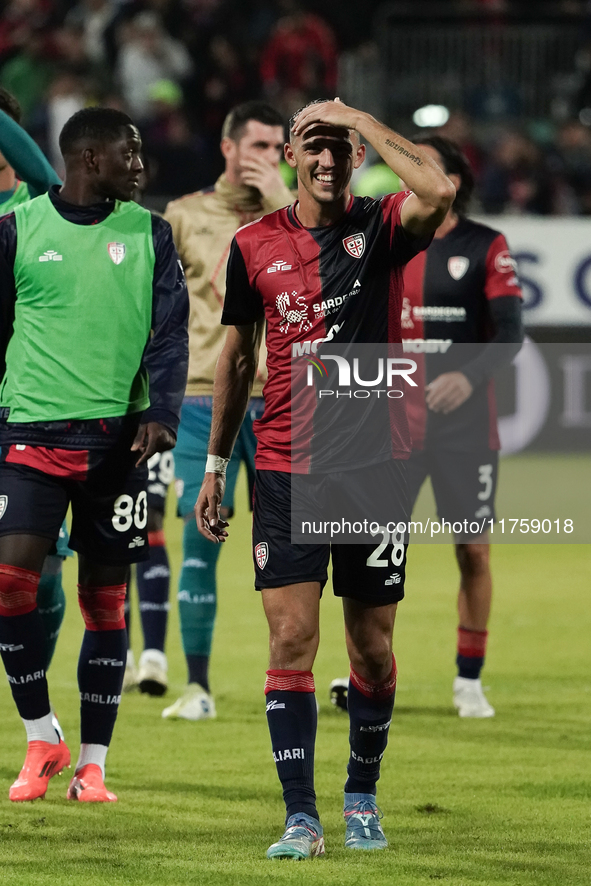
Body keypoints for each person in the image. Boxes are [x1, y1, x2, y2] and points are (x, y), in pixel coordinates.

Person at [195, 98, 455, 858]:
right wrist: (216, 464)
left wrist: (354, 115)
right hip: (281, 466)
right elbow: (236, 356)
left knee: (371, 649)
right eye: (312, 146)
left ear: (356, 157)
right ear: (289, 159)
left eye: (340, 149)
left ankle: (361, 796)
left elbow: (437, 191)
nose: (327, 159)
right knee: (289, 638)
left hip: (374, 470)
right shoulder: (252, 245)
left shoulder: (380, 226)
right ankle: (301, 816)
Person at [0, 106, 189, 803]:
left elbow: (170, 336)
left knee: (105, 605)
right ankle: (40, 734)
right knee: (9, 584)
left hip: (117, 445)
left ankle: (92, 765)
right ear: (87, 159)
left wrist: (163, 414)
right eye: (128, 154)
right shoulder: (19, 230)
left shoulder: (151, 235)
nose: (140, 166)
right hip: (31, 435)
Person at [161, 100, 292, 720]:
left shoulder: (295, 218)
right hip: (198, 401)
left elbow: (320, 274)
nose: (269, 158)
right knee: (199, 539)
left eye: (277, 148)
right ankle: (198, 686)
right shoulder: (184, 216)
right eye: (259, 146)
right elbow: (159, 313)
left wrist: (280, 203)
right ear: (228, 147)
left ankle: (296, 680)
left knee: (293, 548)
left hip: (283, 400)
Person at [402, 135, 523, 717]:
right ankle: (367, 671)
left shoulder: (484, 245)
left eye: (425, 164)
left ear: (452, 181)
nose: (412, 174)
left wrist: (468, 379)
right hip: (392, 427)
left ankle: (469, 679)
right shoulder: (382, 242)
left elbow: (510, 334)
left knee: (473, 552)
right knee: (372, 552)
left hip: (465, 432)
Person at [0, 88, 71, 681]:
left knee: (43, 566)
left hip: (28, 402)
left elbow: (46, 174)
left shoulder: (37, 204)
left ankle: (32, 709)